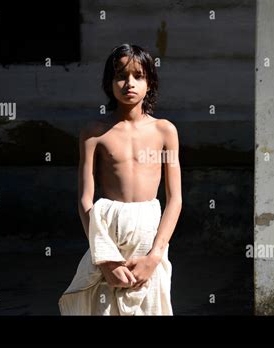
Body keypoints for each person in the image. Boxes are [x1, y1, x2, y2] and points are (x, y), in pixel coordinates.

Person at [58, 43, 182, 315]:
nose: (129, 83)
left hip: (149, 236)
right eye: (120, 76)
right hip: (107, 234)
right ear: (109, 83)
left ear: (150, 82)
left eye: (138, 76)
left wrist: (155, 256)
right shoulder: (94, 133)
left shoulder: (164, 131)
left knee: (151, 306)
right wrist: (104, 259)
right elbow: (84, 199)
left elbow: (174, 200)